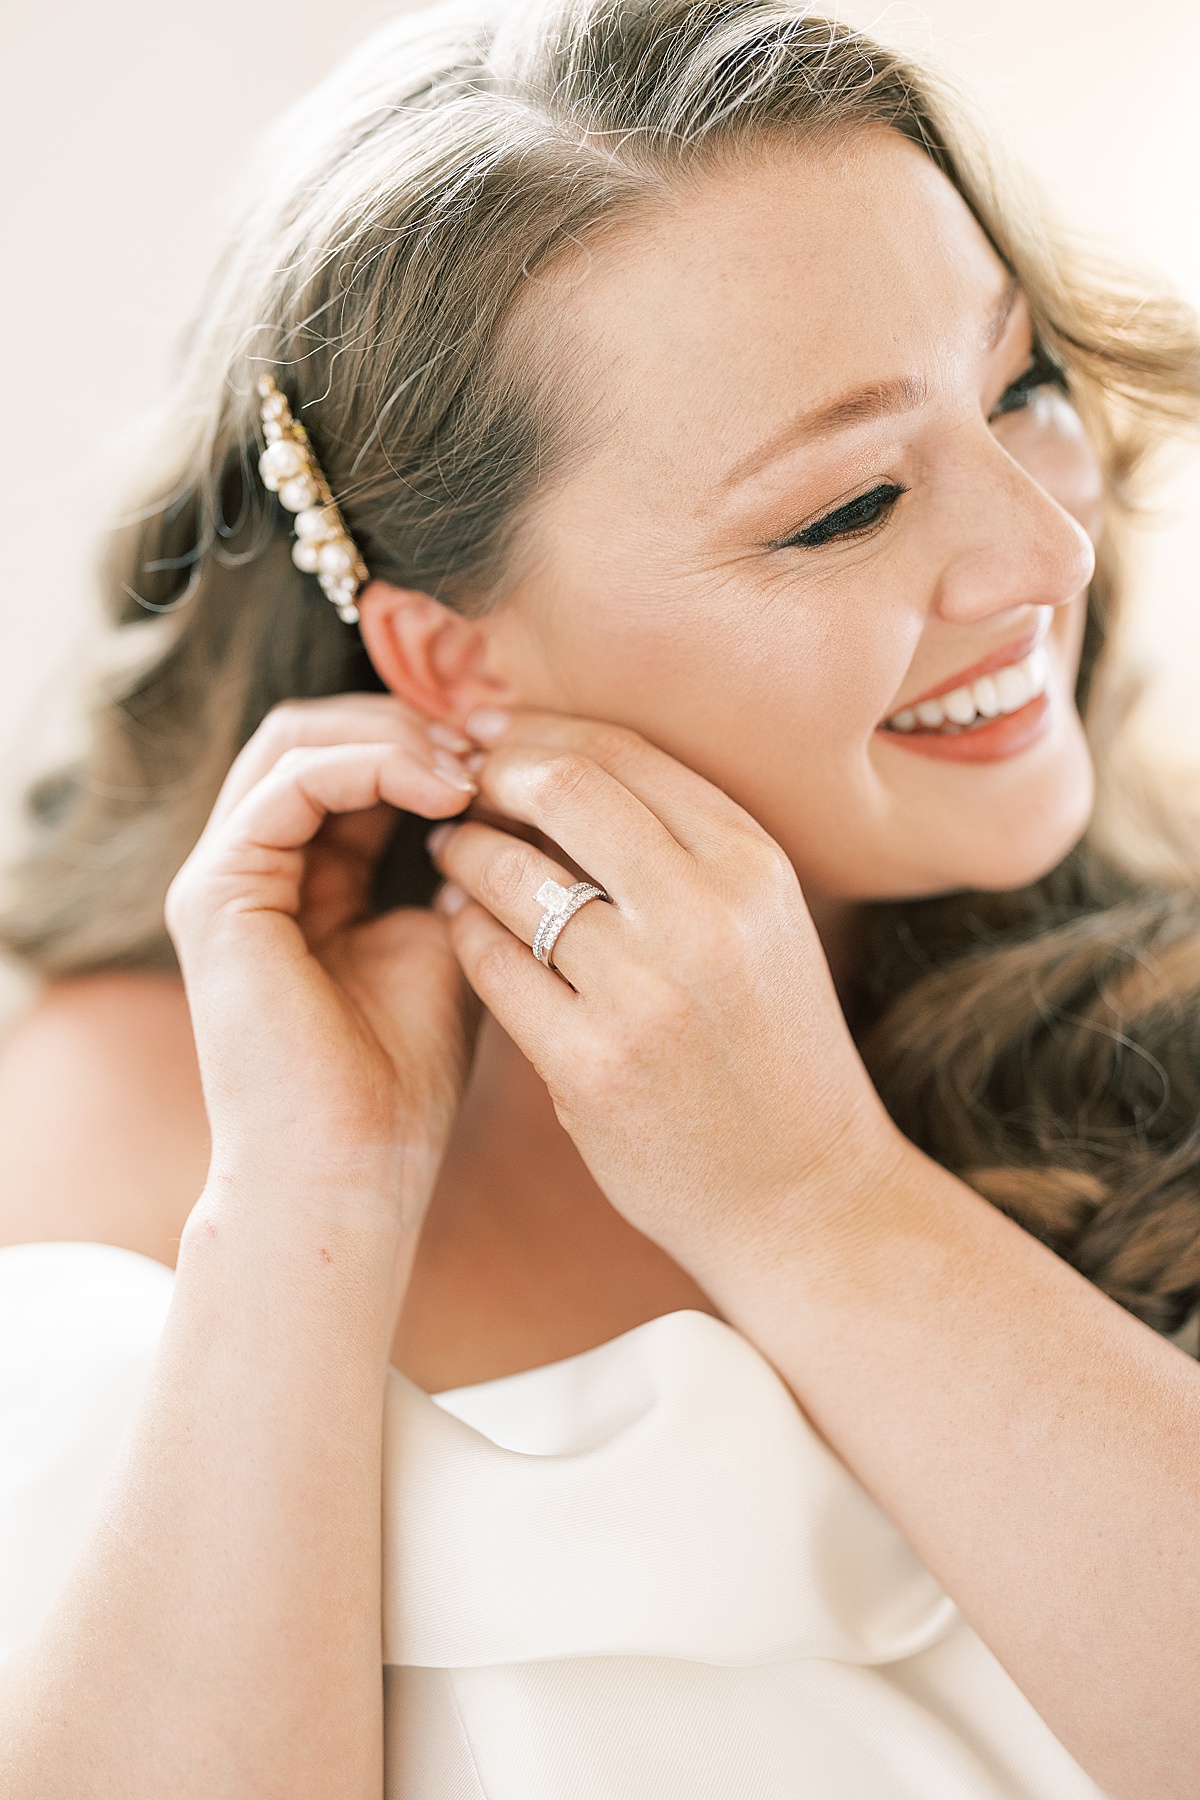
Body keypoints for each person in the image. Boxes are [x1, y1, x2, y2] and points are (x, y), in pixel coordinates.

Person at [1, 1, 1198, 1794]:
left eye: (1017, 384)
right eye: (848, 505)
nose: (1047, 549)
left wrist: (816, 1205)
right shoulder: (123, 1122)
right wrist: (314, 1214)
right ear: (445, 659)